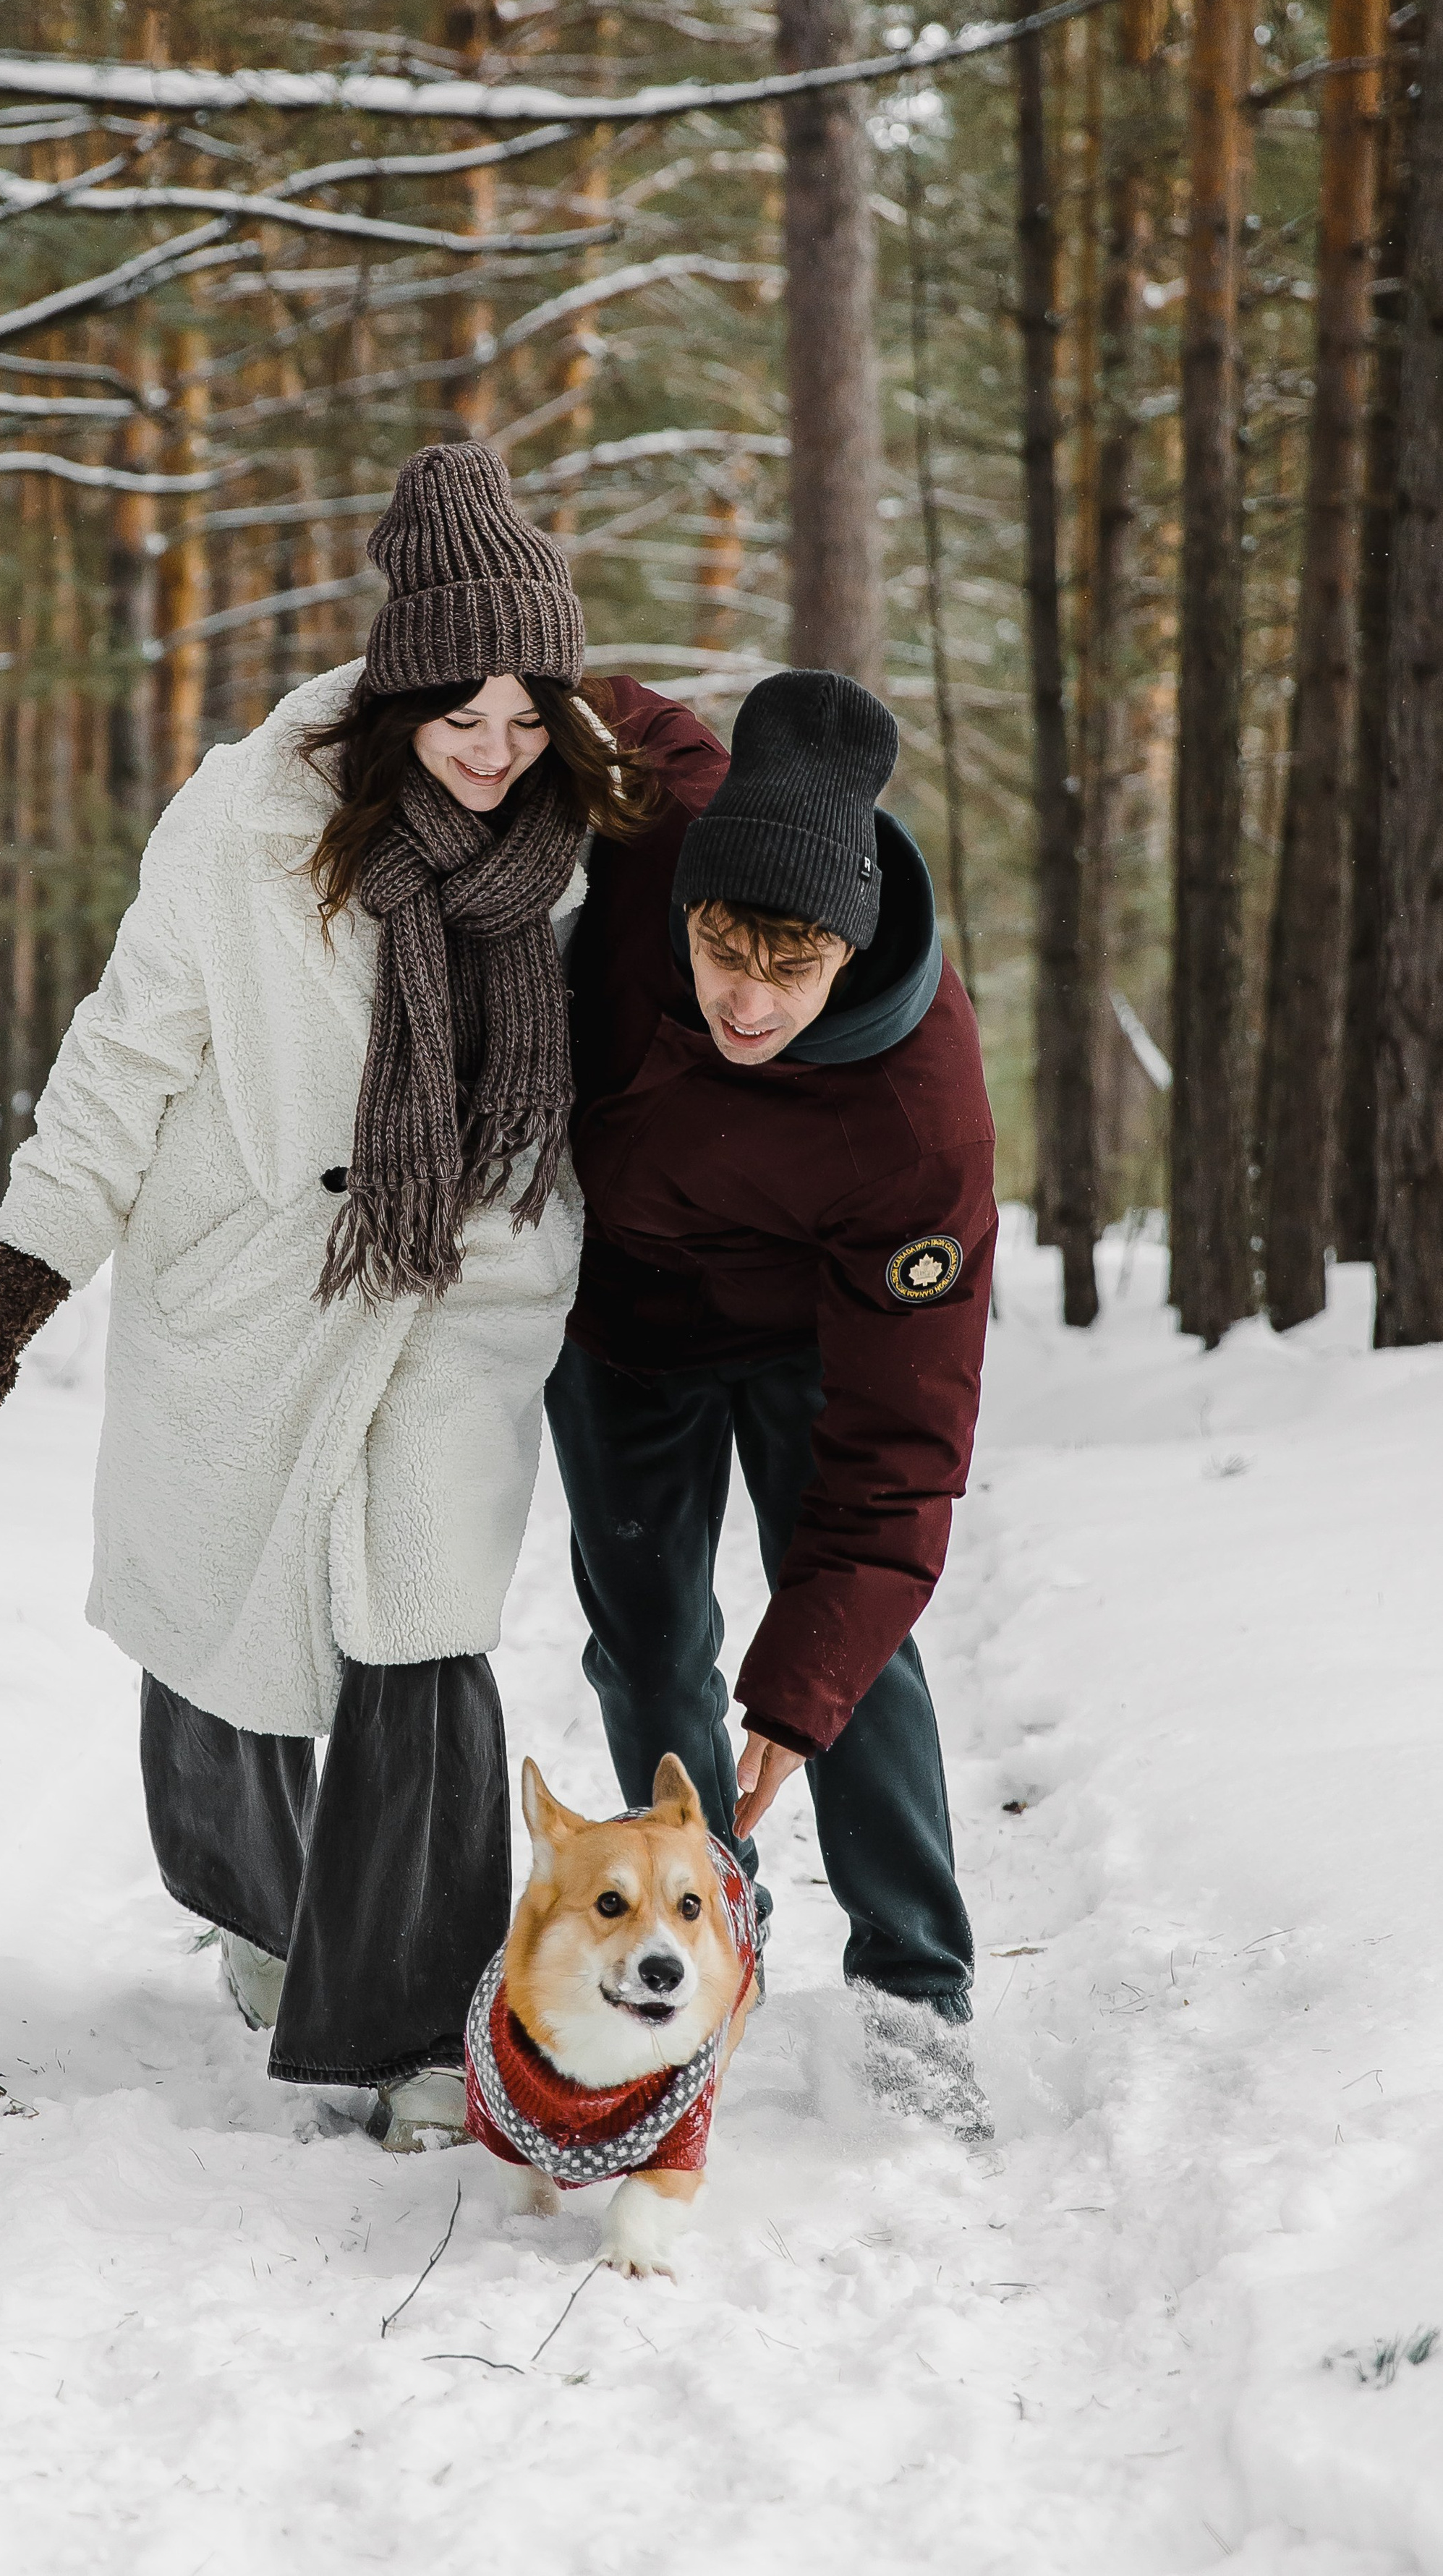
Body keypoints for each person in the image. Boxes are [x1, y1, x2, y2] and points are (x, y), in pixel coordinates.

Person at [0, 443, 662, 2149]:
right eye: (458, 720)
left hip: (462, 1284)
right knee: (220, 1626)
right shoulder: (247, 825)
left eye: (521, 720)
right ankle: (263, 1915)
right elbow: (129, 1049)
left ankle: (412, 2023)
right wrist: (33, 1257)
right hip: (257, 1272)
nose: (492, 758)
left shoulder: (577, 831)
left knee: (420, 1629)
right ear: (396, 693)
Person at [545, 665, 998, 2137]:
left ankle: (913, 1997)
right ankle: (702, 1957)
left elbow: (899, 1457)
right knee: (648, 1639)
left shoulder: (914, 1110)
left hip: (815, 1337)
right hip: (618, 1321)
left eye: (784, 970)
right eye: (718, 948)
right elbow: (569, 685)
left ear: (845, 951)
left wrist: (798, 1697)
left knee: (838, 1670)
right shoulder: (656, 828)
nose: (742, 997)